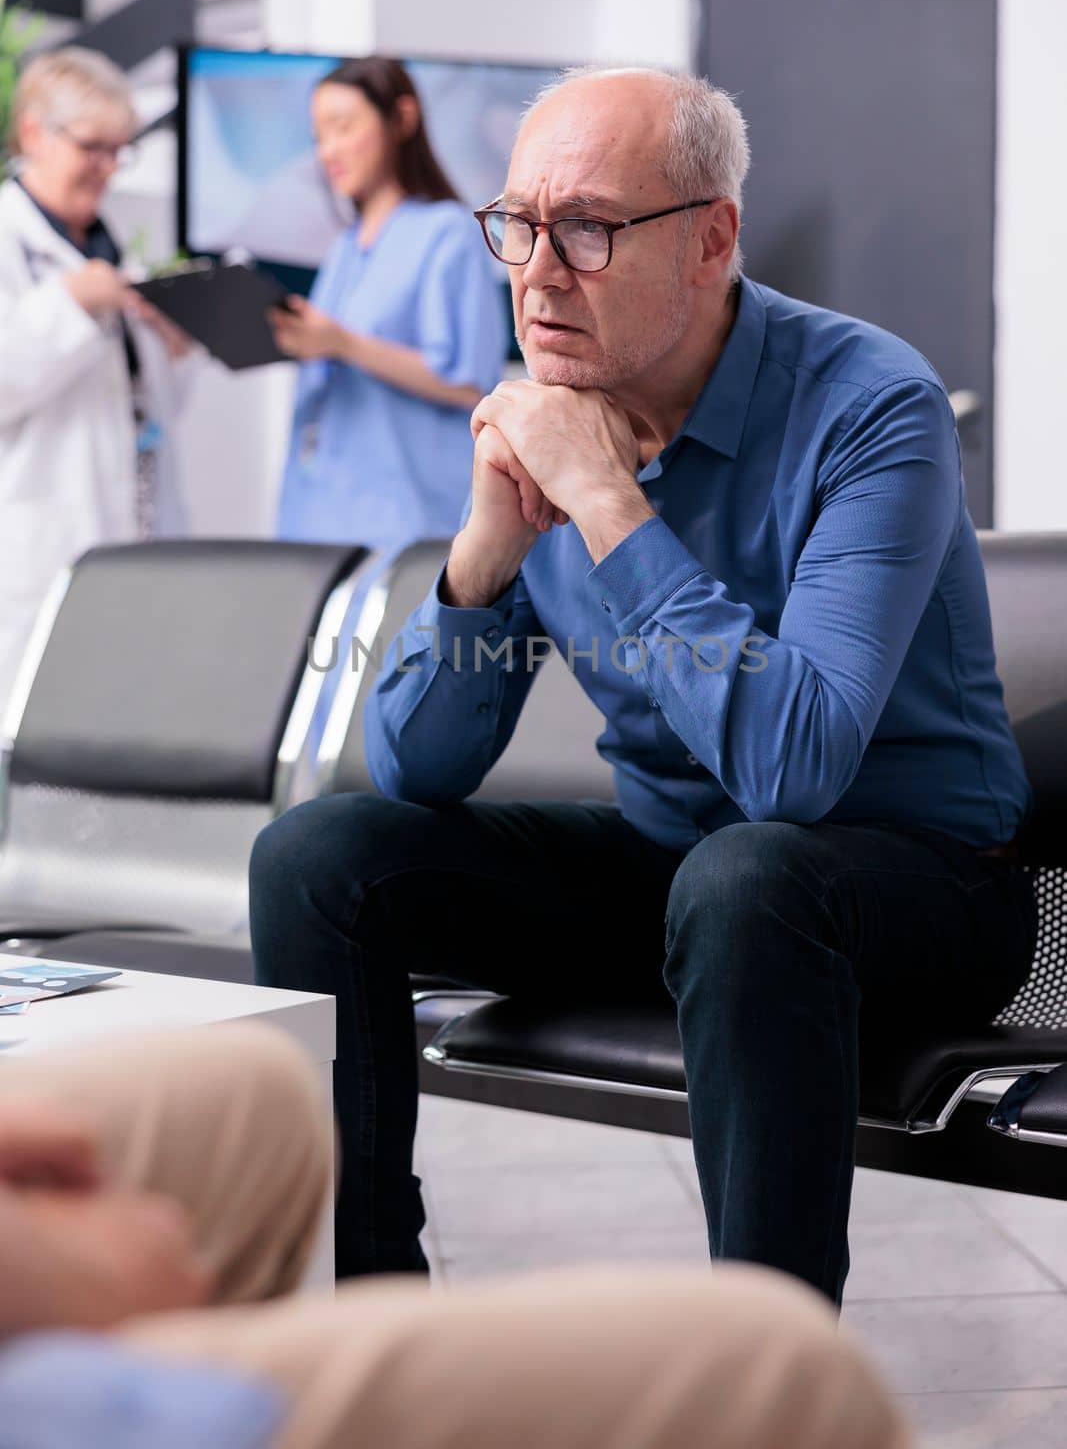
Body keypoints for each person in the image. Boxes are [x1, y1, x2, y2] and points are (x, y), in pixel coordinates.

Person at [249, 67, 1037, 1302]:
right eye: (517, 224)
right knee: (320, 856)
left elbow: (794, 770)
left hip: (911, 888)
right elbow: (415, 766)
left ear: (710, 239)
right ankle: (371, 1323)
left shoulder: (870, 404)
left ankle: (759, 1384)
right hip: (681, 879)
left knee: (748, 875)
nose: (537, 271)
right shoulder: (548, 416)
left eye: (588, 229)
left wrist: (608, 506)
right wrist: (483, 552)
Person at [0, 1024, 910, 1449]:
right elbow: (420, 766)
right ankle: (341, 1349)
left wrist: (648, 628)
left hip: (870, 877)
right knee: (759, 1362)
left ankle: (330, 1347)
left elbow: (793, 775)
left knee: (241, 1093)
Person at [0, 47, 204, 709]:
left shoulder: (108, 246)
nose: (109, 167)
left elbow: (138, 411)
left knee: (118, 725)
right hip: (38, 542)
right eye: (93, 146)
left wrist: (171, 346)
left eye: (120, 150)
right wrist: (72, 302)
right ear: (33, 132)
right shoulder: (10, 239)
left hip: (133, 531)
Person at [271, 56, 506, 557]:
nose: (327, 150)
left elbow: (468, 382)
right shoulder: (344, 249)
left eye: (343, 127)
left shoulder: (444, 232)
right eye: (318, 135)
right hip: (317, 516)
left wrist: (343, 343)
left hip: (403, 519)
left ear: (401, 118)